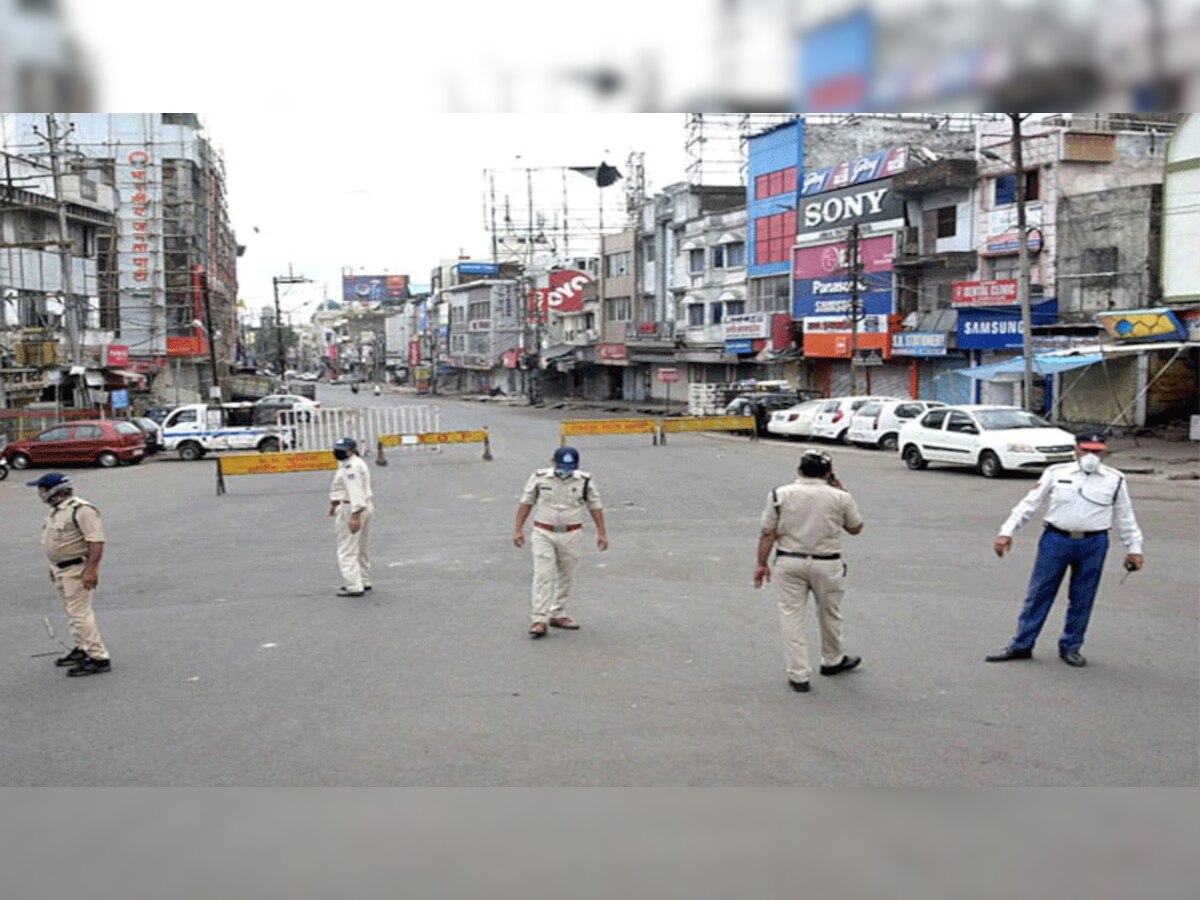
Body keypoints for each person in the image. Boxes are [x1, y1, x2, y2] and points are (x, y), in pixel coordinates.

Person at [987, 432, 1144, 668]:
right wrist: (1006, 531)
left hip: (1094, 542)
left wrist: (1134, 548)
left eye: (1097, 451)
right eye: (1086, 450)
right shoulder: (1056, 473)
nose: (1091, 456)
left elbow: (1125, 516)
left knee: (1083, 598)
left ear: (1105, 452)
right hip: (1056, 539)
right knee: (1039, 593)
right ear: (1076, 450)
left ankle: (1071, 646)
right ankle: (1022, 644)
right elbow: (1029, 504)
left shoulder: (1115, 479)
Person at [754, 449, 864, 693]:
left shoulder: (779, 495)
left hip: (789, 561)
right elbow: (855, 528)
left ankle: (799, 674)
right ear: (828, 472)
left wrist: (762, 563)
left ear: (799, 470)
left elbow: (767, 533)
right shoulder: (840, 497)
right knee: (830, 613)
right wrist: (840, 488)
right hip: (827, 563)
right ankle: (832, 659)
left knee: (791, 615)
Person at [513, 446, 608, 638]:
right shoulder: (539, 478)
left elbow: (595, 505)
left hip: (571, 533)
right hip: (543, 532)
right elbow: (526, 502)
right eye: (562, 466)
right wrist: (518, 529)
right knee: (543, 575)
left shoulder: (584, 480)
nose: (566, 470)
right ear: (553, 462)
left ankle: (557, 612)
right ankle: (539, 618)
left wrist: (602, 533)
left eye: (570, 466)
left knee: (566, 574)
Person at [27, 472, 112, 676]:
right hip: (61, 569)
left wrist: (91, 570)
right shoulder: (57, 511)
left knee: (80, 614)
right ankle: (82, 647)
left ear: (52, 491)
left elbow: (96, 541)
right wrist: (53, 566)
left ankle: (98, 657)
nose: (39, 494)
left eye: (42, 490)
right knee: (73, 613)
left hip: (76, 570)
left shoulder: (82, 510)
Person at [328, 436, 373, 597]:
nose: (338, 453)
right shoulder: (356, 463)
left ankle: (353, 585)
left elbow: (355, 491)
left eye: (342, 450)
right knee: (361, 547)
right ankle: (363, 579)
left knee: (347, 549)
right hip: (359, 505)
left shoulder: (350, 467)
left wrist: (355, 515)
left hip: (352, 507)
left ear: (352, 451)